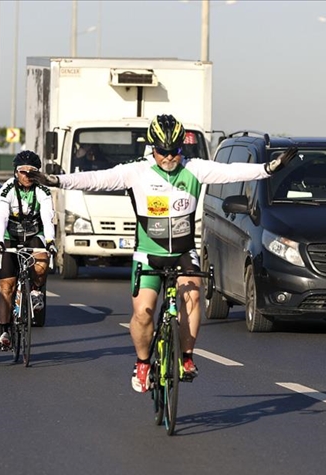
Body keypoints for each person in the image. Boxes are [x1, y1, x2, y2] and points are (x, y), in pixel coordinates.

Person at [28, 114, 298, 392]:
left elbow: (231, 172)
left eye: (174, 151)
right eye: (162, 151)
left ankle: (187, 357)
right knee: (143, 313)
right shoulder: (137, 171)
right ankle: (143, 362)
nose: (169, 157)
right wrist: (55, 180)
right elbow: (96, 179)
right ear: (152, 148)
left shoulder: (194, 169)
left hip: (183, 252)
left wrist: (269, 168)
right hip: (148, 254)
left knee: (193, 297)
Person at [0, 150, 58, 351]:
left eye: (32, 171)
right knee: (6, 286)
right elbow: (2, 219)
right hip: (10, 237)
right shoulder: (6, 190)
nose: (27, 175)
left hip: (34, 234)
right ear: (16, 172)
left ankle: (36, 291)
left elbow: (47, 218)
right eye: (23, 171)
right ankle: (5, 331)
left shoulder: (43, 191)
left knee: (42, 260)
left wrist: (50, 241)